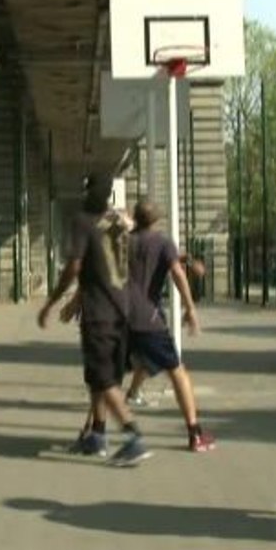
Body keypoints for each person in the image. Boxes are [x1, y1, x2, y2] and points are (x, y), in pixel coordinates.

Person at [38, 174, 150, 467]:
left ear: (87, 193)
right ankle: (97, 435)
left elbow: (74, 267)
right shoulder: (116, 225)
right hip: (122, 311)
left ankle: (134, 436)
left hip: (100, 314)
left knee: (104, 379)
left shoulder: (83, 222)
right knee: (100, 378)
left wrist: (51, 302)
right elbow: (111, 268)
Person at [118, 200, 215, 451]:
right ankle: (194, 433)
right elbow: (177, 273)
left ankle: (93, 431)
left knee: (107, 380)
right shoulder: (162, 242)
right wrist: (190, 307)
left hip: (121, 316)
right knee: (177, 371)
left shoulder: (123, 241)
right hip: (149, 319)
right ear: (157, 220)